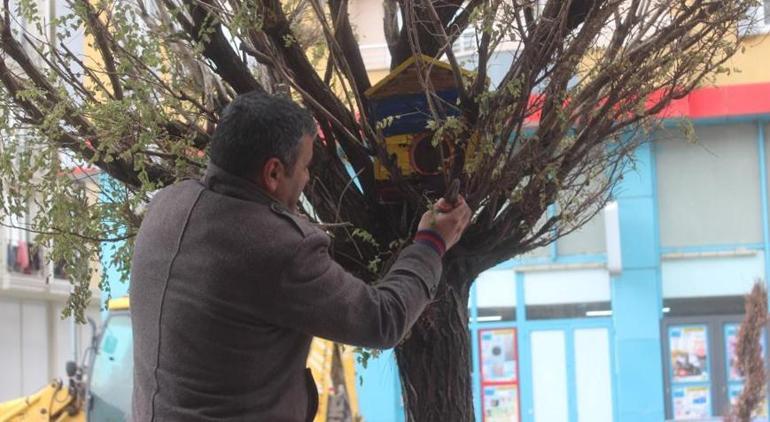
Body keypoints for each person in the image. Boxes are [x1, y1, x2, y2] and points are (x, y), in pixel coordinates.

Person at [130, 91, 472, 421]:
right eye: (306, 166)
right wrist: (431, 243)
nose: (308, 178)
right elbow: (383, 320)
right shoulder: (279, 248)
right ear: (274, 172)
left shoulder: (166, 205)